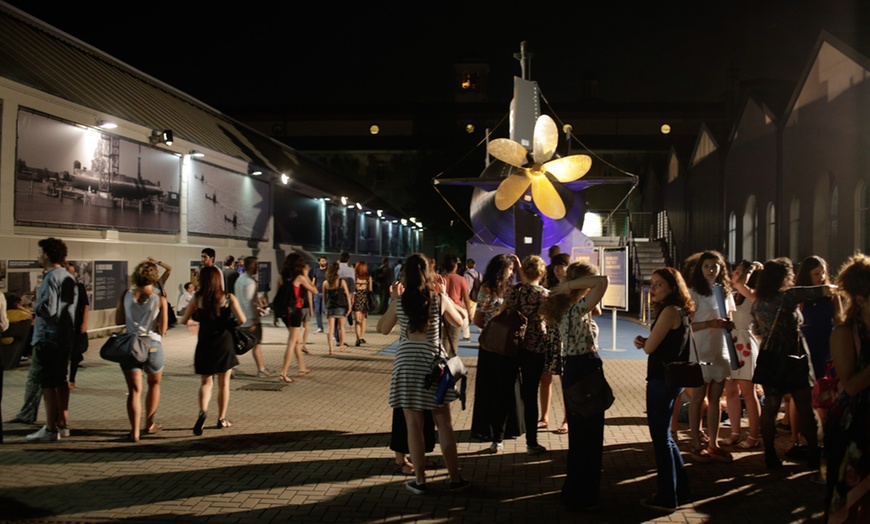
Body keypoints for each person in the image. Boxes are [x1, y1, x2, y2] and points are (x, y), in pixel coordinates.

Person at [377, 253, 469, 494]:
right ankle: (455, 478)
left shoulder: (401, 301)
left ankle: (420, 481)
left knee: (413, 426)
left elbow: (382, 328)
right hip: (433, 365)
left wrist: (393, 300)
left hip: (407, 366)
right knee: (445, 424)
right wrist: (446, 295)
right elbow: (459, 322)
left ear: (405, 274)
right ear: (430, 273)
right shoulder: (438, 299)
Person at [752, 257, 835, 470]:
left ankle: (770, 455)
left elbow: (757, 331)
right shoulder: (788, 296)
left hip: (770, 356)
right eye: (789, 274)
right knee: (805, 407)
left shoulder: (759, 302)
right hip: (794, 355)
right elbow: (822, 290)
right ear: (783, 276)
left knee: (770, 408)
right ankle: (815, 455)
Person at [541, 261, 609, 511]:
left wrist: (571, 286)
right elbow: (603, 282)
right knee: (589, 437)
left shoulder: (570, 306)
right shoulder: (575, 308)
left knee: (581, 436)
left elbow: (598, 303)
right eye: (587, 281)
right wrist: (571, 284)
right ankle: (584, 494)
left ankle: (575, 491)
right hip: (584, 369)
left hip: (574, 369)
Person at [632, 267, 693, 513]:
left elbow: (651, 348)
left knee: (661, 439)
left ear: (672, 287)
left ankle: (667, 496)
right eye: (653, 283)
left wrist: (645, 343)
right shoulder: (680, 310)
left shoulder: (669, 311)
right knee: (665, 437)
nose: (653, 288)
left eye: (659, 284)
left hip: (662, 379)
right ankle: (681, 490)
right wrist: (646, 342)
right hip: (672, 378)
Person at [824, 254, 870, 523]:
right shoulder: (844, 333)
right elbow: (851, 386)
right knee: (853, 507)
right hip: (856, 429)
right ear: (861, 299)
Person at [470, 254, 526, 452]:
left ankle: (488, 427)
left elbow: (477, 319)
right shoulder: (510, 291)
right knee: (508, 386)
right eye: (510, 269)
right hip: (509, 345)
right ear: (503, 270)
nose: (512, 273)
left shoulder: (486, 289)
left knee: (490, 387)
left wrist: (491, 325)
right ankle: (509, 427)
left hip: (490, 346)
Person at [180, 266, 245, 434]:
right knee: (224, 384)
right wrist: (229, 324)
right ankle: (221, 419)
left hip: (205, 343)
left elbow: (184, 319)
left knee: (206, 382)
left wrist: (194, 322)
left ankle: (202, 412)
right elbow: (242, 319)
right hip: (224, 343)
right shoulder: (228, 298)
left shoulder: (197, 298)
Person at [26, 237, 78, 442]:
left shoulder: (50, 278)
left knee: (47, 382)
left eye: (40, 253)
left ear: (47, 255)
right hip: (65, 336)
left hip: (48, 336)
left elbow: (48, 309)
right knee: (61, 380)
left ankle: (49, 428)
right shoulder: (68, 276)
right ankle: (62, 423)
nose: (38, 257)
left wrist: (35, 304)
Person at [687, 250, 735, 463]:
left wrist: (728, 325)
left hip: (720, 349)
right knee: (698, 398)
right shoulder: (693, 293)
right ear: (701, 268)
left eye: (715, 266)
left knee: (716, 398)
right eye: (706, 266)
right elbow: (688, 325)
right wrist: (710, 324)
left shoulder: (724, 292)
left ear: (721, 268)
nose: (711, 270)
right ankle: (696, 441)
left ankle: (713, 442)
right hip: (700, 349)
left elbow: (729, 318)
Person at [503, 254, 551, 455]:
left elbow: (504, 312)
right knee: (530, 394)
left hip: (514, 345)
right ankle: (532, 442)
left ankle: (499, 437)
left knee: (508, 391)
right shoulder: (545, 295)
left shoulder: (515, 292)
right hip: (537, 346)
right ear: (541, 273)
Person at [114, 260, 168, 442]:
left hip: (131, 346)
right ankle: (149, 423)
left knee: (134, 390)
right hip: (152, 345)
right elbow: (163, 328)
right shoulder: (159, 298)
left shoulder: (126, 295)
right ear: (154, 278)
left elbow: (118, 320)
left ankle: (134, 431)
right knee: (154, 385)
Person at [720, 260, 762, 450]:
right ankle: (735, 432)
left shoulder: (753, 294)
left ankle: (754, 434)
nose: (734, 275)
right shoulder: (734, 295)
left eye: (738, 272)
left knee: (748, 392)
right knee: (730, 391)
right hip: (731, 342)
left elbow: (739, 284)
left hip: (745, 342)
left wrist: (752, 267)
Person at [796, 255, 841, 431]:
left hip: (826, 340)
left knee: (826, 385)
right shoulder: (800, 294)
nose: (821, 277)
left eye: (823, 273)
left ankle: (826, 427)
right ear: (807, 275)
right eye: (816, 273)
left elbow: (839, 319)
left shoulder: (831, 294)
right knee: (806, 388)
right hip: (808, 341)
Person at [539, 252, 571, 433]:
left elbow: (593, 310)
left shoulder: (574, 288)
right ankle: (544, 417)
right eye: (556, 266)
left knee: (565, 379)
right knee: (545, 377)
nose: (558, 269)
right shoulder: (549, 285)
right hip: (550, 335)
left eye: (562, 266)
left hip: (566, 337)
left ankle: (567, 419)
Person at [277, 253, 318, 382]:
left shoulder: (281, 277)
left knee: (297, 341)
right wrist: (306, 275)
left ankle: (302, 367)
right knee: (292, 342)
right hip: (295, 312)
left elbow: (279, 296)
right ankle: (283, 373)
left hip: (285, 312)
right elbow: (314, 290)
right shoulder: (299, 277)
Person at [234, 256, 274, 377]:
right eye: (256, 265)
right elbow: (249, 302)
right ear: (251, 266)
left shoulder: (239, 279)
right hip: (249, 319)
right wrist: (254, 319)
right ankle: (261, 369)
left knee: (238, 343)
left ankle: (230, 368)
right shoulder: (250, 282)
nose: (258, 268)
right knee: (256, 344)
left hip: (239, 317)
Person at [66, 263, 89, 389]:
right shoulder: (60, 287)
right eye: (69, 272)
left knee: (75, 353)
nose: (71, 274)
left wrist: (85, 322)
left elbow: (85, 306)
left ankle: (72, 380)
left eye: (73, 272)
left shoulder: (79, 287)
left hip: (76, 324)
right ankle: (62, 378)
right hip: (64, 326)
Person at [441, 255, 471, 353]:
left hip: (443, 310)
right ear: (455, 266)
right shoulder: (461, 279)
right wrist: (469, 314)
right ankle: (452, 360)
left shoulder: (441, 278)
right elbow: (466, 299)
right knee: (454, 338)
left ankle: (444, 360)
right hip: (456, 311)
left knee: (444, 338)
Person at [323, 262, 352, 355]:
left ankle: (331, 350)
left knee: (330, 329)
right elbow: (347, 295)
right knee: (341, 328)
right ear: (337, 271)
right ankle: (342, 346)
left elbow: (324, 297)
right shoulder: (341, 281)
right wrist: (349, 307)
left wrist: (325, 307)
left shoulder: (325, 283)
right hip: (340, 306)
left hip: (330, 306)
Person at [352, 261, 373, 346]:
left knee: (357, 321)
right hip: (365, 299)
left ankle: (357, 339)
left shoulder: (355, 277)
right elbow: (370, 289)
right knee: (364, 319)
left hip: (356, 299)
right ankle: (362, 337)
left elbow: (352, 289)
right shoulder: (368, 277)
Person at [462, 259, 482, 341]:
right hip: (478, 298)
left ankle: (466, 336)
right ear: (474, 265)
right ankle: (484, 332)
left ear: (466, 266)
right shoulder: (479, 274)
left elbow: (467, 288)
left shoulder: (467, 275)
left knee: (466, 317)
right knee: (476, 317)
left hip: (470, 298)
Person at [310, 257, 328, 333]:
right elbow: (313, 281)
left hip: (325, 293)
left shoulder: (328, 270)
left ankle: (332, 326)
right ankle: (320, 327)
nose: (324, 262)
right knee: (317, 311)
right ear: (319, 262)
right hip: (317, 293)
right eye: (322, 261)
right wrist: (312, 290)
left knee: (325, 310)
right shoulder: (316, 270)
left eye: (325, 261)